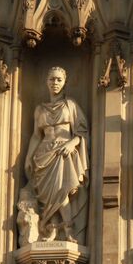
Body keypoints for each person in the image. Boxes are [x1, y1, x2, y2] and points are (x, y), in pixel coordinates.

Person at [25, 66, 89, 244]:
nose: (55, 83)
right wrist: (28, 158)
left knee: (62, 193)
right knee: (47, 197)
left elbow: (82, 132)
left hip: (63, 153)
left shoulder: (71, 105)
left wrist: (72, 143)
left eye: (59, 79)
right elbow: (36, 136)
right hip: (43, 154)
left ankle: (68, 230)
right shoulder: (40, 109)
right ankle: (52, 229)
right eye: (52, 79)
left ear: (65, 82)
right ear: (46, 82)